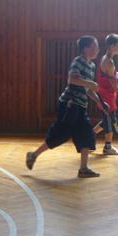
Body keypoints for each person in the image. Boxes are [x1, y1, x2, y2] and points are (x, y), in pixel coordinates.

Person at [25, 35, 103, 178]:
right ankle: (33, 155)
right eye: (94, 47)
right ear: (86, 48)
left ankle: (83, 169)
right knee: (60, 134)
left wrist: (99, 101)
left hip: (81, 105)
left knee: (86, 133)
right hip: (69, 104)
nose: (97, 49)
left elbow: (88, 89)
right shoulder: (77, 62)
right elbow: (72, 79)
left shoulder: (91, 66)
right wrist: (90, 84)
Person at [93, 33, 118, 155]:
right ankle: (108, 147)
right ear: (112, 46)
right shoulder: (109, 62)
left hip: (105, 94)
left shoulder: (106, 58)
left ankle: (90, 134)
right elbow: (113, 82)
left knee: (107, 119)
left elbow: (109, 75)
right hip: (106, 97)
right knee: (110, 122)